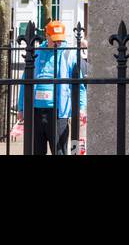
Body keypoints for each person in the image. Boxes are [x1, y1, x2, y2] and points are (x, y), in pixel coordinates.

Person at [14, 19, 86, 156]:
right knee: (36, 151)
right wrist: (21, 108)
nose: (57, 42)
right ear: (46, 36)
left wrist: (81, 108)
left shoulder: (68, 54)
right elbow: (25, 82)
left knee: (59, 151)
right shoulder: (36, 53)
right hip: (35, 110)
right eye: (54, 39)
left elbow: (79, 85)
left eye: (59, 39)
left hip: (58, 112)